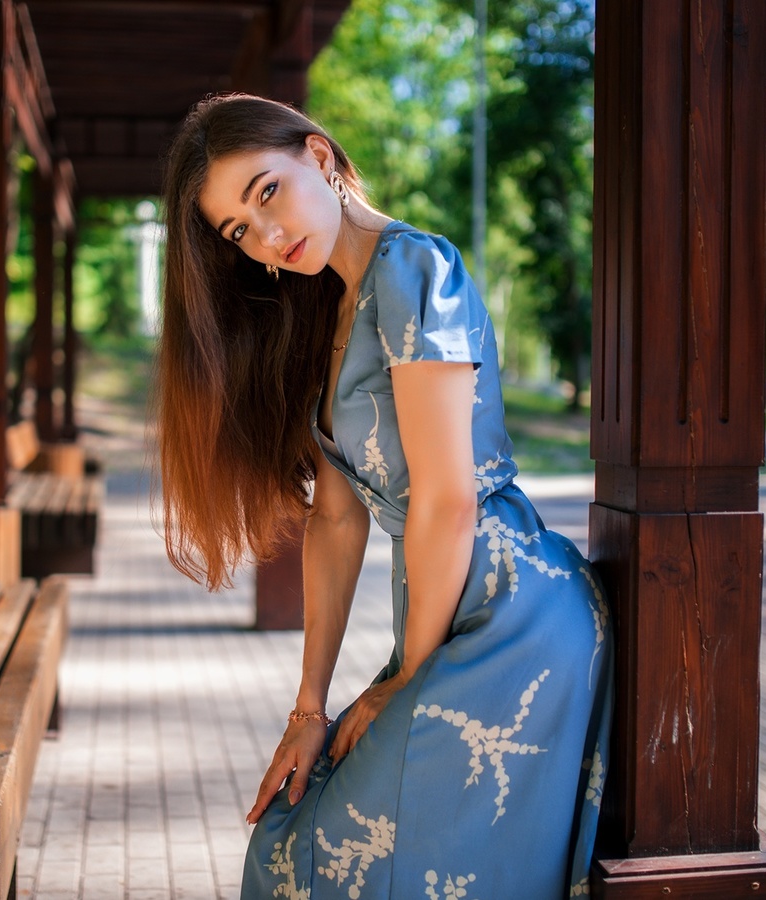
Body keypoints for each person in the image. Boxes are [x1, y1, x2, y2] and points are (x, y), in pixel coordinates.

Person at [156, 93, 612, 898]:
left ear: (321, 158)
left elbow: (445, 499)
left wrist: (405, 679)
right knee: (290, 838)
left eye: (267, 192)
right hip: (447, 615)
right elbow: (334, 518)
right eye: (238, 231)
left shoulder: (415, 269)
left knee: (328, 860)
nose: (266, 236)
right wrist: (309, 709)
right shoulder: (337, 313)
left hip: (508, 612)